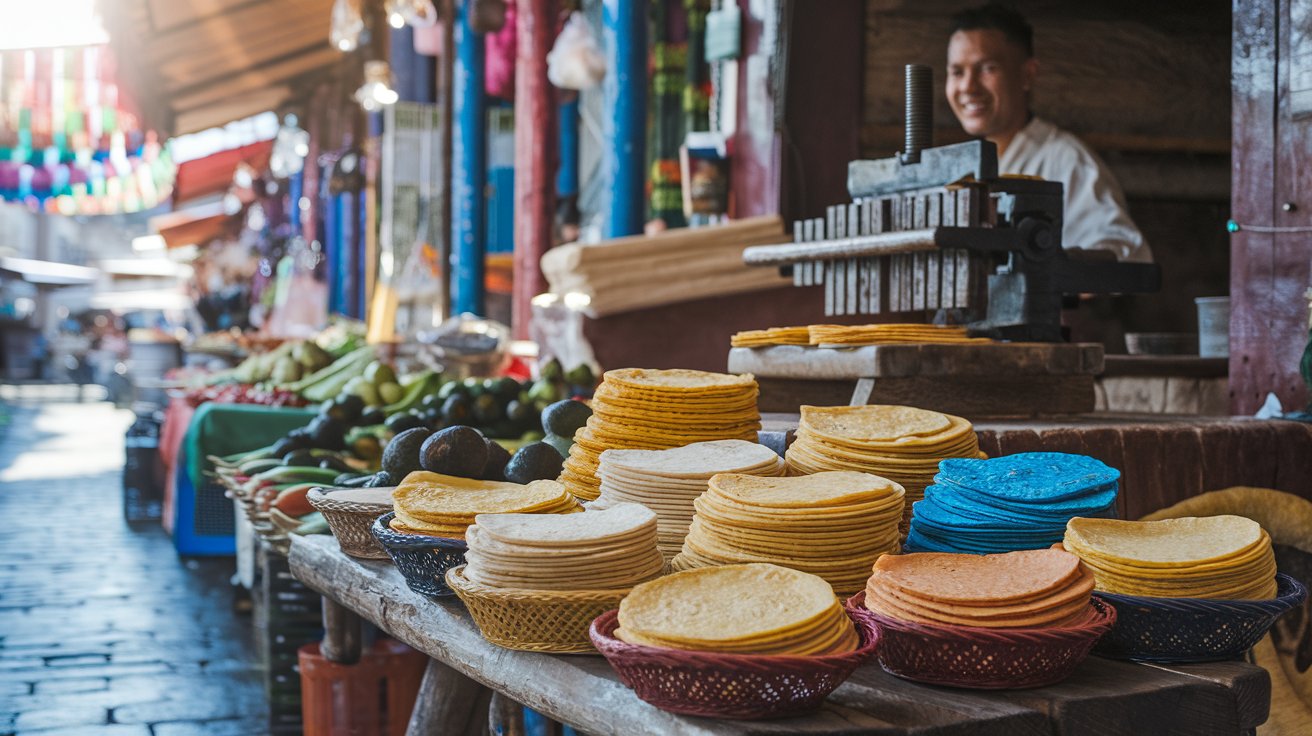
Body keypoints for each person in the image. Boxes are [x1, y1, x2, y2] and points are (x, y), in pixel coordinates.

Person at [946, 3, 1152, 264]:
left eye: (987, 68)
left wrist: (1051, 273)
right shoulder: (964, 171)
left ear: (1027, 75)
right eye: (957, 72)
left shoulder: (1066, 160)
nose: (968, 86)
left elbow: (1126, 250)